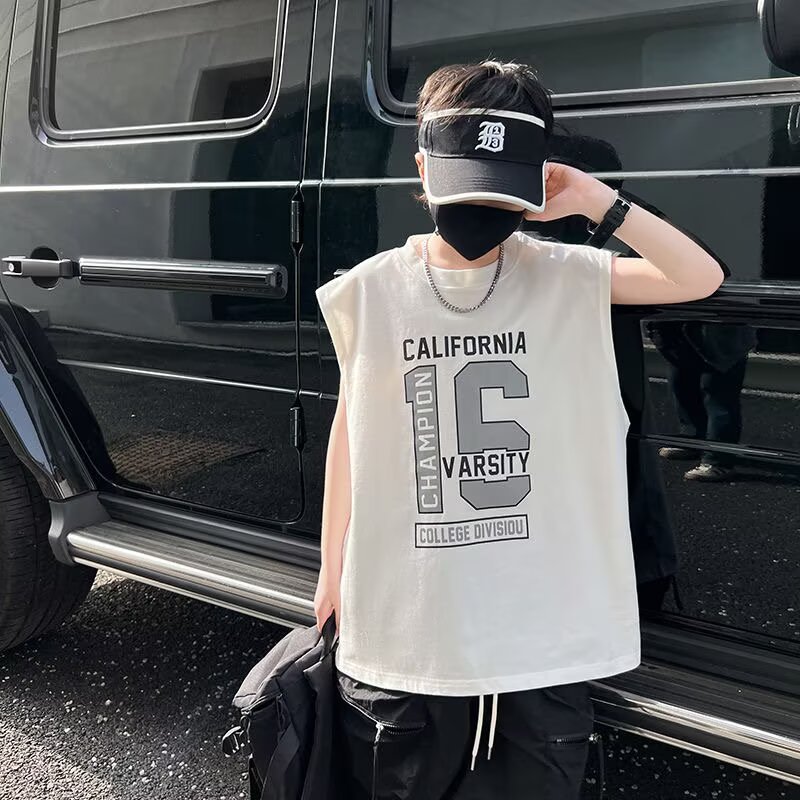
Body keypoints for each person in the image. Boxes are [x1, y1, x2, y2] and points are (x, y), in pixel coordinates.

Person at [314, 60, 724, 800]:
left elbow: (698, 277)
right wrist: (329, 566)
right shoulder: (370, 290)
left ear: (535, 182)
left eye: (503, 187)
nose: (483, 208)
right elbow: (354, 433)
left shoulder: (569, 274)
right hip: (413, 620)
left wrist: (596, 200)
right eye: (470, 182)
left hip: (542, 628)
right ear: (423, 170)